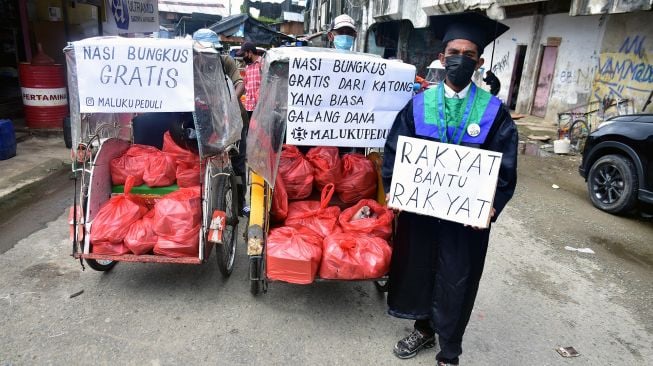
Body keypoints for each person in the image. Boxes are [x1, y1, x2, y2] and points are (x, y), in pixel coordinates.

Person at [381, 12, 518, 366]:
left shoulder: (494, 112)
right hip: (422, 212)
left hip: (465, 220)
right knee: (421, 267)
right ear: (442, 58)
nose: (460, 59)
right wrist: (395, 190)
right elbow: (396, 151)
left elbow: (504, 167)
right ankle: (424, 329)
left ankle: (450, 349)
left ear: (479, 62)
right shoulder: (418, 105)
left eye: (469, 55)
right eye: (454, 52)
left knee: (458, 277)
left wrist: (492, 205)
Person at [193, 29, 250, 215]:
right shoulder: (191, 65)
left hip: (233, 119)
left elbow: (239, 83)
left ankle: (240, 203)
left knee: (237, 163)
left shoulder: (225, 61)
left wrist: (229, 102)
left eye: (212, 53)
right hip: (206, 118)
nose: (207, 57)